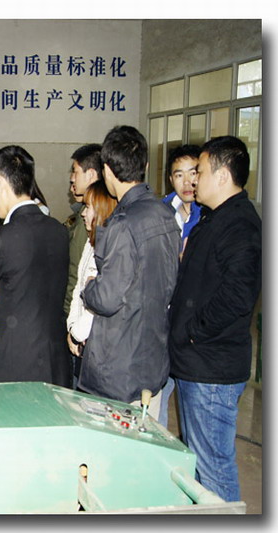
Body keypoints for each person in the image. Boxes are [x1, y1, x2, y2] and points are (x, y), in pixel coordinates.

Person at [168, 136, 261, 502]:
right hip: (197, 363)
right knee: (199, 464)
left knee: (214, 468)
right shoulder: (215, 218)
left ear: (223, 176)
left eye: (201, 172)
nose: (194, 180)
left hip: (211, 369)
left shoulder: (239, 226)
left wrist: (193, 332)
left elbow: (237, 297)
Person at [78, 126, 181, 420]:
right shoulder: (165, 215)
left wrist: (89, 287)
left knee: (113, 443)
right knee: (145, 438)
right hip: (153, 359)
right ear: (145, 166)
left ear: (107, 171)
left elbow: (107, 298)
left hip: (119, 367)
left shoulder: (123, 224)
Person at [0, 145, 70, 386]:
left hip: (18, 361)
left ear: (1, 185)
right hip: (56, 358)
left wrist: (2, 292)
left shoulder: (3, 238)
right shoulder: (59, 230)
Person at [158, 143, 202, 429]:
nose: (187, 182)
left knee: (193, 415)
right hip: (162, 322)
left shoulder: (208, 215)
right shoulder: (160, 211)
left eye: (193, 173)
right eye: (179, 175)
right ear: (170, 179)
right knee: (155, 402)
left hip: (192, 327)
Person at [66, 180, 117, 363]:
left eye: (88, 207)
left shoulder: (111, 247)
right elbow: (78, 289)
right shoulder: (90, 242)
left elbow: (97, 302)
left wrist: (78, 333)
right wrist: (72, 327)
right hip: (80, 335)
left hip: (97, 341)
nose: (83, 213)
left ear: (102, 209)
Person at [63, 144, 102, 317]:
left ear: (91, 174)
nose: (72, 177)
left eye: (76, 171)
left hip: (80, 311)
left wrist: (68, 313)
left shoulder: (94, 216)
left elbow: (77, 272)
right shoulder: (83, 213)